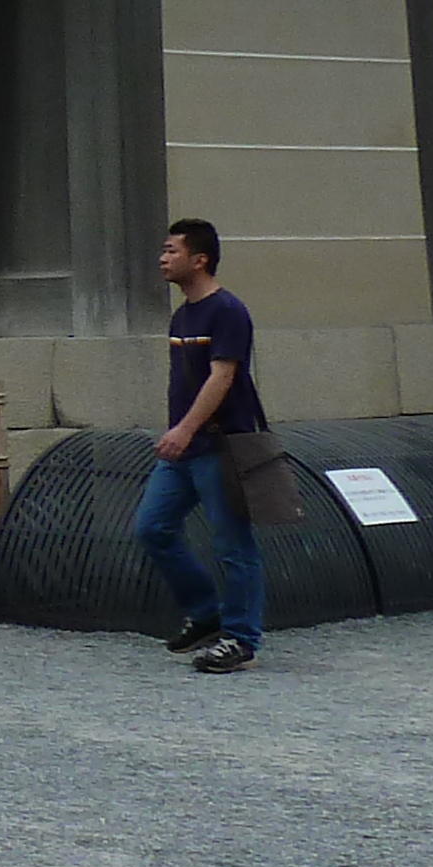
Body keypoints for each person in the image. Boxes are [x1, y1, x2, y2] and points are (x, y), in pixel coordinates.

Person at [135, 217, 265, 674]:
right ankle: (206, 613)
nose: (162, 258)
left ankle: (241, 637)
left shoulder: (227, 311)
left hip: (219, 444)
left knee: (233, 543)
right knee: (152, 527)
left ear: (200, 259)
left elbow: (223, 376)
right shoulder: (182, 315)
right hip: (183, 449)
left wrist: (185, 429)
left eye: (171, 250)